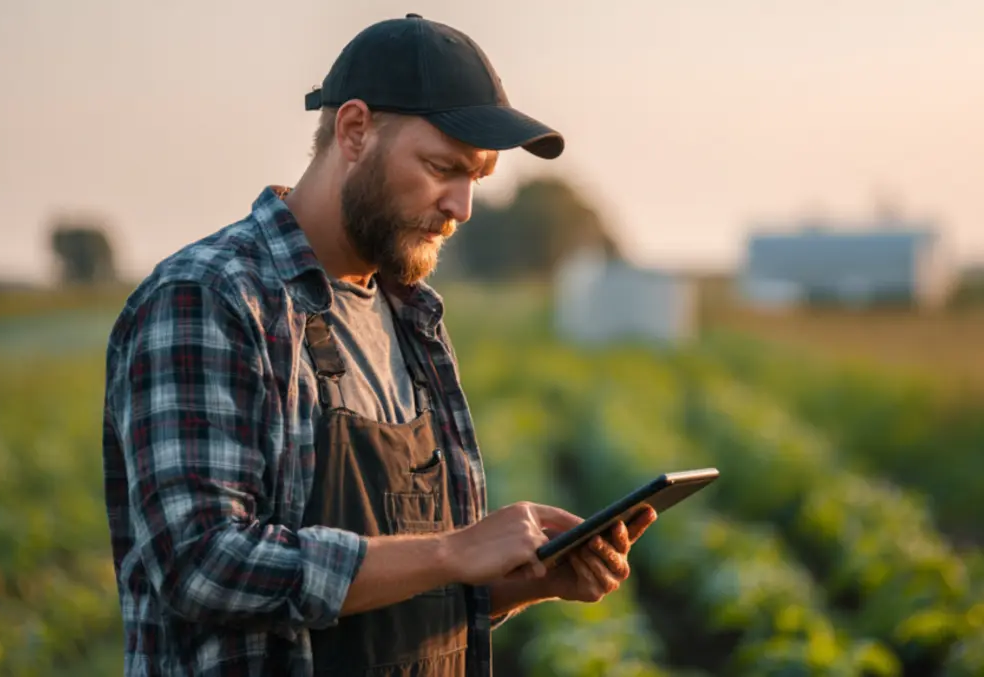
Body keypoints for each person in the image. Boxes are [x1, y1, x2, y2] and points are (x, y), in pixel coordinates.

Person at [100, 12, 657, 677]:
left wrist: (533, 579)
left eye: (475, 177)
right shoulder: (210, 297)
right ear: (355, 130)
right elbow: (202, 564)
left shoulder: (410, 316)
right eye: (441, 167)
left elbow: (405, 594)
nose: (462, 206)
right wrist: (455, 549)